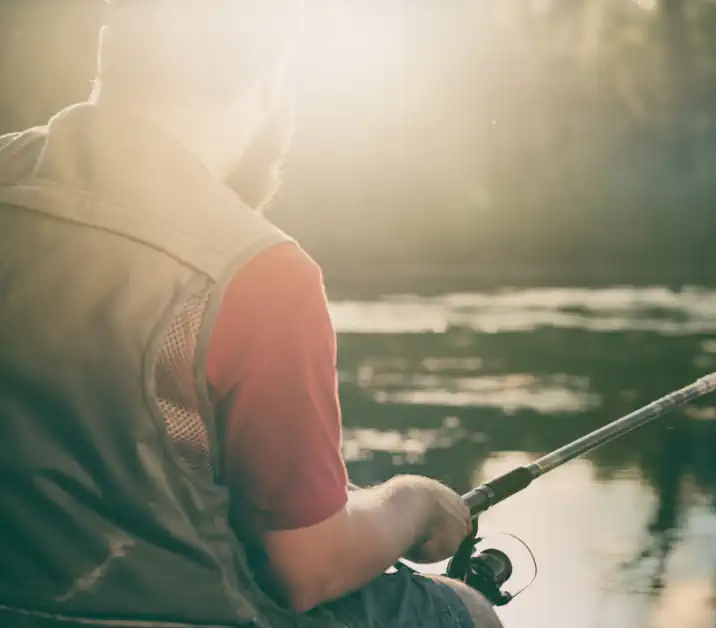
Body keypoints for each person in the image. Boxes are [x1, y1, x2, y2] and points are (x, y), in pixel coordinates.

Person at [0, 1, 503, 627]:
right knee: (468, 614)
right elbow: (305, 568)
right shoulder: (260, 269)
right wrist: (416, 503)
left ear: (108, 50)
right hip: (180, 611)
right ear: (270, 85)